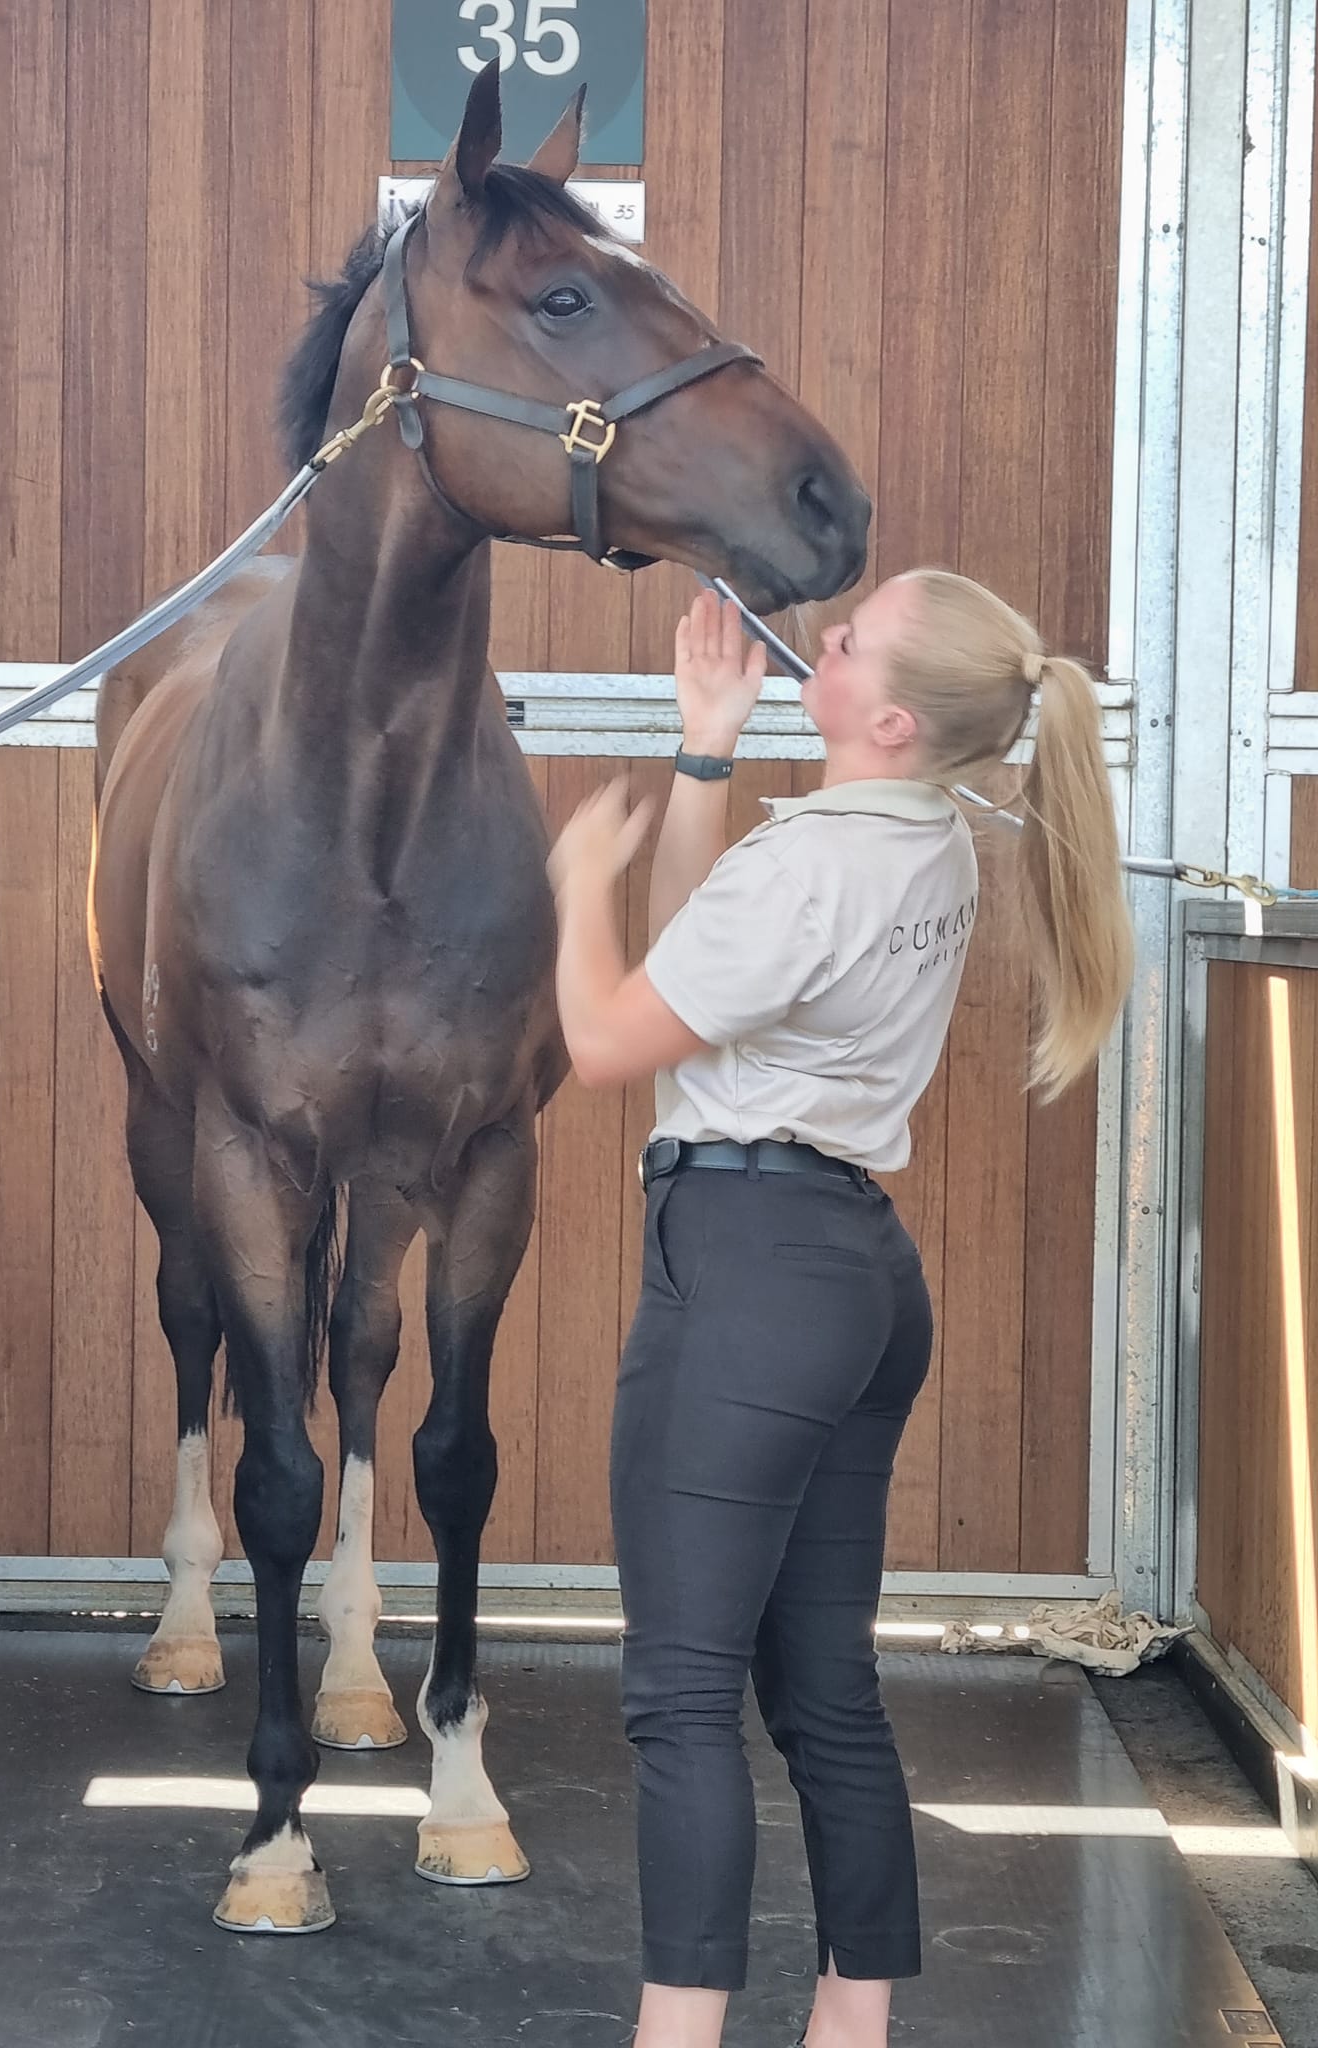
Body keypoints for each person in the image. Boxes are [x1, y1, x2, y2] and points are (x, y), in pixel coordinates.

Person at [546, 574, 1134, 2048]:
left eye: (850, 636)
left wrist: (568, 889)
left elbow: (614, 1035)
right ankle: (850, 2027)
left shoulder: (817, 869)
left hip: (749, 1275)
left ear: (883, 716)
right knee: (826, 1694)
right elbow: (708, 959)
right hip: (854, 1274)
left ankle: (676, 2035)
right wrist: (705, 753)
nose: (819, 636)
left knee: (681, 1697)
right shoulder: (917, 833)